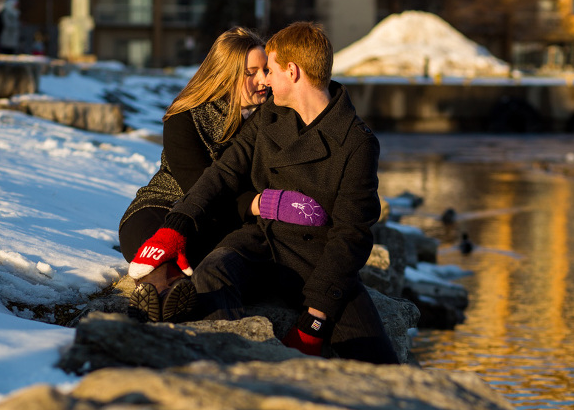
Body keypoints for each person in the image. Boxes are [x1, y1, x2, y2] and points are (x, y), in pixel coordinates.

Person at [128, 22, 399, 365]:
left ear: (293, 70)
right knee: (213, 274)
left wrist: (313, 323)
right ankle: (228, 376)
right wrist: (177, 224)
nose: (265, 81)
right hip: (259, 242)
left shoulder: (356, 142)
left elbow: (352, 236)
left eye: (268, 70)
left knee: (378, 361)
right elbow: (224, 172)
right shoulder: (271, 115)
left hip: (315, 260)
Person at [119, 26, 269, 323]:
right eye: (251, 72)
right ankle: (168, 294)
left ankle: (161, 295)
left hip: (224, 219)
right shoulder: (184, 117)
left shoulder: (273, 118)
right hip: (164, 204)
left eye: (266, 69)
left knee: (209, 247)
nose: (263, 79)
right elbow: (199, 187)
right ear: (226, 74)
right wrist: (255, 203)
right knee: (155, 239)